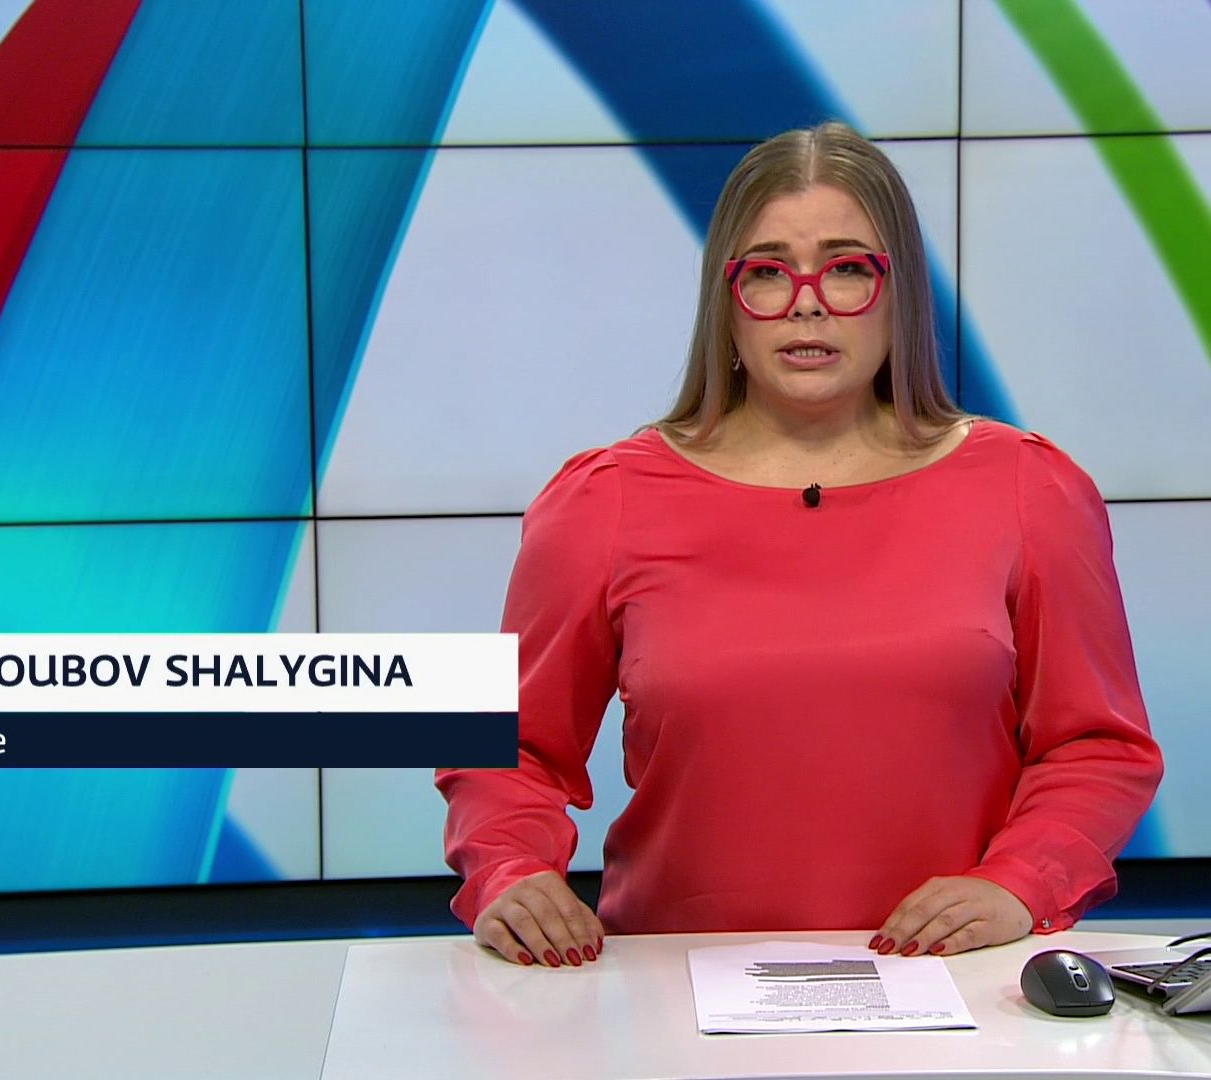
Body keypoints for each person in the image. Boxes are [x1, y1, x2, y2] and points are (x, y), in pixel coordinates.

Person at [436, 121, 1162, 970]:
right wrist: (512, 872)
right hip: (670, 997)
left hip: (956, 988)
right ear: (725, 300)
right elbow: (507, 747)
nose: (807, 302)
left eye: (848, 268)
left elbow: (1097, 748)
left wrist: (1019, 883)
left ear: (902, 294)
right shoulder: (603, 500)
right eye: (768, 272)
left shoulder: (1028, 488)